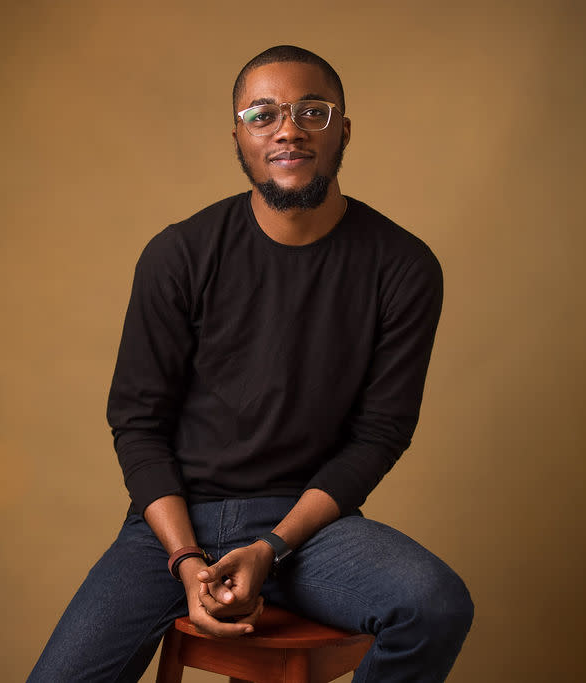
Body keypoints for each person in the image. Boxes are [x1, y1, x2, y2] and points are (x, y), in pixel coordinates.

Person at [27, 45, 473, 682]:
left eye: (311, 112)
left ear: (343, 128)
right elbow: (138, 424)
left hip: (312, 528)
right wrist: (184, 559)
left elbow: (380, 434)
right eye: (262, 114)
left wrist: (273, 547)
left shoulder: (403, 266)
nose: (287, 128)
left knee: (433, 603)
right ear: (238, 136)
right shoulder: (179, 253)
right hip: (174, 524)